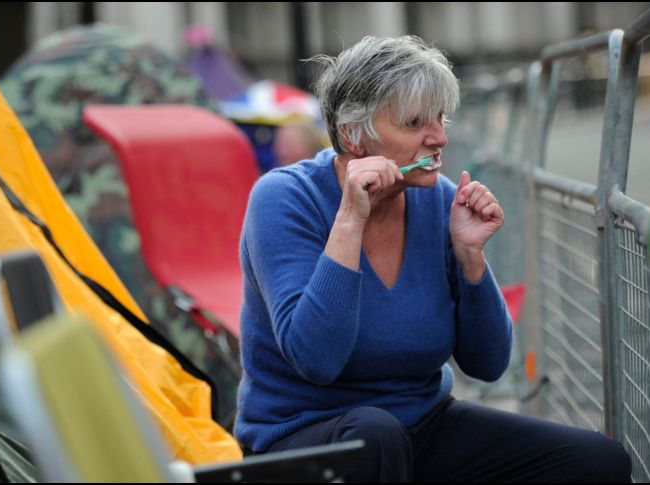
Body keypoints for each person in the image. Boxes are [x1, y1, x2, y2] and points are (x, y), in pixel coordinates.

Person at [233, 36, 631, 482]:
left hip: (422, 426)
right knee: (373, 435)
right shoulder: (284, 199)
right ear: (353, 135)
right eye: (415, 122)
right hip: (304, 440)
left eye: (440, 117)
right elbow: (316, 359)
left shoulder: (441, 201)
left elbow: (488, 364)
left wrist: (471, 258)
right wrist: (349, 220)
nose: (439, 136)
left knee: (599, 462)